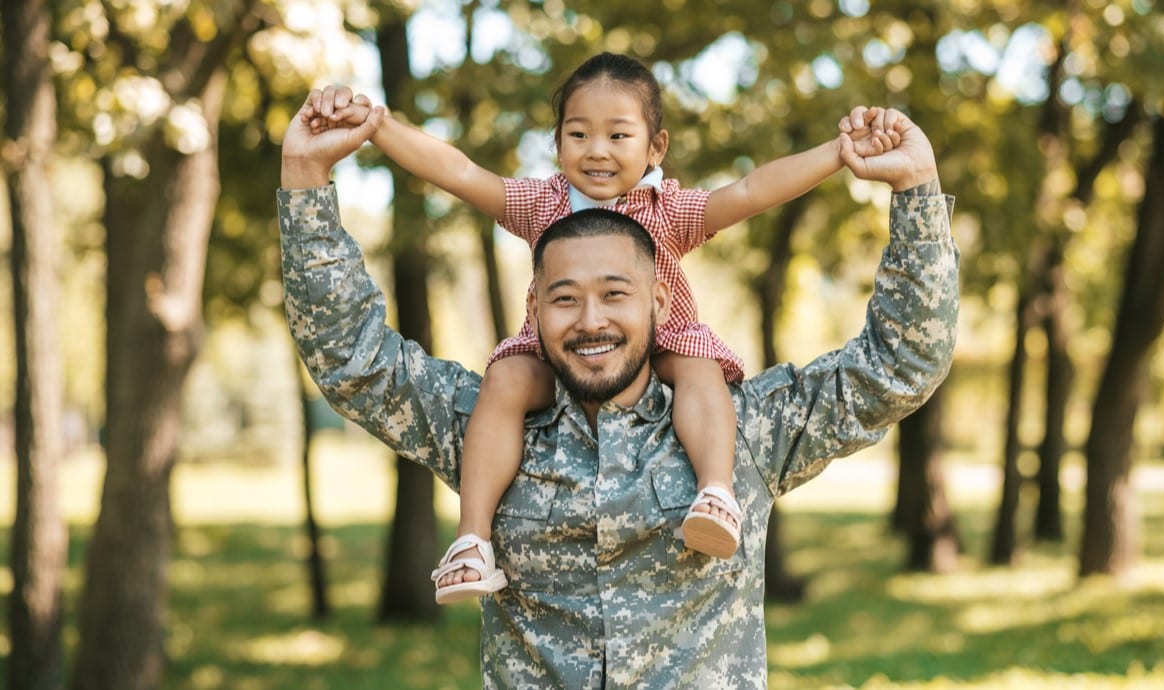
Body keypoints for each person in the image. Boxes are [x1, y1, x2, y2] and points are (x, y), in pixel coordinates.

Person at [279, 86, 957, 687]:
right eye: (564, 299)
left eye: (615, 294)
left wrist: (917, 190)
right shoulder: (489, 428)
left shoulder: (740, 428)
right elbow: (354, 360)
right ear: (535, 309)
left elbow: (899, 362)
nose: (591, 320)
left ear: (661, 304)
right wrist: (306, 177)